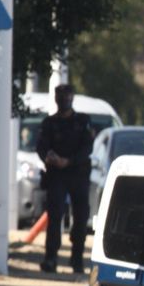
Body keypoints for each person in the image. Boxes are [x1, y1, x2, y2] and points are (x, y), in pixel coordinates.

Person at [34, 82, 97, 275]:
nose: (65, 101)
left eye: (68, 97)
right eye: (61, 98)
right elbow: (41, 147)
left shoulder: (82, 121)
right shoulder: (50, 123)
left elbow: (87, 148)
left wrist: (68, 161)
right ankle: (51, 257)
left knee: (80, 217)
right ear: (56, 99)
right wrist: (50, 158)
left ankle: (77, 259)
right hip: (56, 176)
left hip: (77, 174)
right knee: (55, 216)